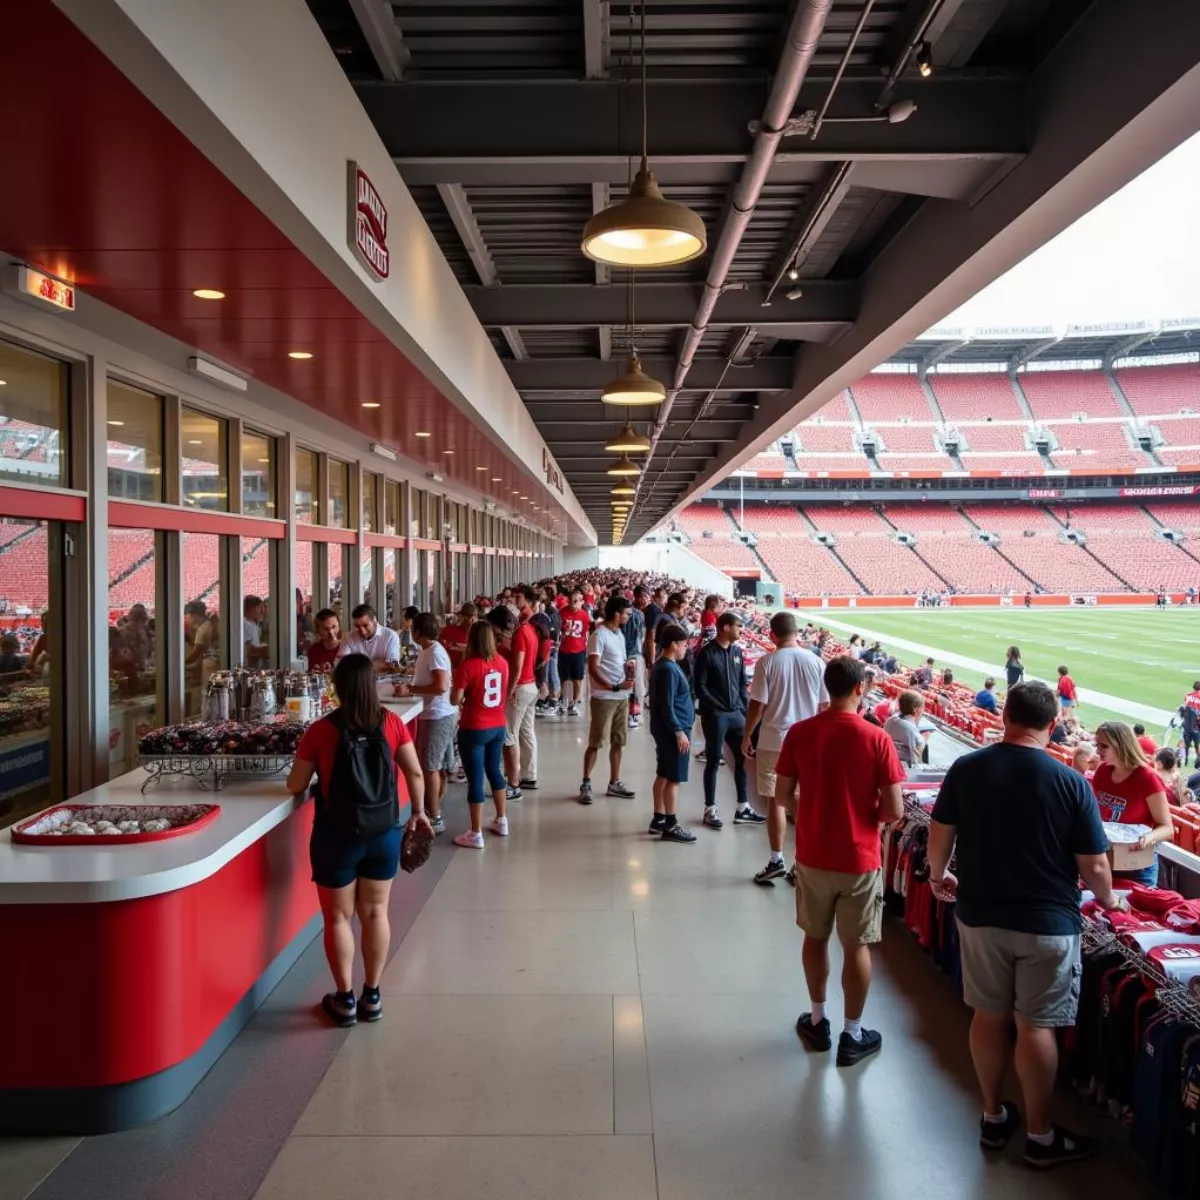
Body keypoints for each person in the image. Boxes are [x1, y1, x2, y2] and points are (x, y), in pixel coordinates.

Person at [927, 681, 1124, 1169]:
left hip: (980, 914)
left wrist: (936, 875)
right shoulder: (1070, 781)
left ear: (1004, 716)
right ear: (1051, 725)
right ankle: (1040, 1134)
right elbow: (1095, 866)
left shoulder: (968, 767)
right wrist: (1111, 900)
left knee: (988, 1016)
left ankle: (993, 1117)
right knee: (1037, 1026)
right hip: (1048, 924)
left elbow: (939, 831)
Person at [286, 653, 429, 1027]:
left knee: (337, 918)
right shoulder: (392, 723)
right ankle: (373, 995)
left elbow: (295, 785)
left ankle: (345, 1000)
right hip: (383, 833)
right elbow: (414, 772)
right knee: (376, 913)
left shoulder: (320, 730)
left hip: (336, 836)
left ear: (338, 688)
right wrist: (418, 812)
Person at [777, 656, 905, 1067]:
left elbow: (781, 796)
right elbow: (894, 809)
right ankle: (852, 1033)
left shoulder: (800, 733)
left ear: (825, 689)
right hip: (860, 858)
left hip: (813, 855)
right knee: (857, 945)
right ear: (860, 689)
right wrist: (864, 818)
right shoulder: (876, 738)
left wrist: (815, 809)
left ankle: (817, 1019)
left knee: (814, 938)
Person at [745, 611, 828, 885]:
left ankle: (776, 859)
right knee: (802, 802)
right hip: (808, 742)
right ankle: (801, 862)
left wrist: (747, 736)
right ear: (798, 633)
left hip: (773, 740)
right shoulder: (817, 662)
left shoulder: (767, 662)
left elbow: (757, 705)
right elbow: (824, 706)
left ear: (772, 635)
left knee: (776, 801)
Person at [693, 612, 762, 830]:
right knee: (713, 761)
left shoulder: (737, 652)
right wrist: (716, 706)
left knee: (742, 760)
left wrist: (743, 708)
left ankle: (743, 807)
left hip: (736, 715)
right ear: (725, 627)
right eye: (738, 626)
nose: (741, 630)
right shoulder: (706, 653)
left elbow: (742, 685)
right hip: (716, 715)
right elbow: (700, 687)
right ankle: (709, 809)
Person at [450, 619, 510, 848]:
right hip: (498, 724)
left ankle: (475, 833)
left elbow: (455, 699)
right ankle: (501, 819)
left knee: (475, 778)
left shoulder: (467, 666)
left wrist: (461, 696)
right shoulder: (502, 663)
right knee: (494, 770)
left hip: (474, 726)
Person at [1090, 720, 1173, 886]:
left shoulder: (1148, 778)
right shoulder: (1102, 770)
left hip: (1137, 866)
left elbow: (1168, 829)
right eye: (1096, 745)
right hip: (1106, 858)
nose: (1097, 750)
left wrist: (1148, 838)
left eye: (1104, 746)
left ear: (1120, 745)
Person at [395, 613, 455, 836]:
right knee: (435, 765)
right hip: (436, 714)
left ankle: (435, 816)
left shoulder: (435, 653)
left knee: (429, 767)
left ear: (417, 632)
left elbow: (441, 686)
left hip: (438, 715)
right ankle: (433, 808)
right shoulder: (429, 651)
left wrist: (410, 690)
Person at [579, 595, 636, 804]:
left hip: (621, 696)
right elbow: (593, 669)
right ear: (616, 614)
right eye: (627, 614)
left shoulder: (619, 634)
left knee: (618, 741)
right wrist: (612, 686)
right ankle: (586, 782)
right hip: (604, 697)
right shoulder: (598, 636)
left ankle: (614, 782)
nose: (629, 617)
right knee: (596, 742)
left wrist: (627, 675)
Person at [648, 624, 698, 843]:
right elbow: (667, 706)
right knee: (674, 779)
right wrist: (679, 731)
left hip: (666, 728)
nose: (686, 649)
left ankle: (658, 819)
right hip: (673, 730)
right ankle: (671, 824)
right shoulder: (668, 669)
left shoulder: (664, 665)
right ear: (673, 645)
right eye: (684, 645)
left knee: (664, 774)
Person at [497, 587, 540, 795]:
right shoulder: (529, 629)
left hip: (521, 687)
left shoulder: (522, 631)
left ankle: (512, 784)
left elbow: (518, 665)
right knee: (526, 733)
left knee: (509, 736)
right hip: (531, 686)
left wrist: (510, 690)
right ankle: (529, 775)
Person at [338, 604, 401, 671]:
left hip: (385, 681)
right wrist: (377, 664)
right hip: (357, 680)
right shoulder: (349, 637)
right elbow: (341, 663)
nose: (362, 631)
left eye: (365, 625)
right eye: (357, 626)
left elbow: (393, 665)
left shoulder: (390, 636)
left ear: (374, 621)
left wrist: (355, 664)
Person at [557, 589, 590, 716]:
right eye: (571, 600)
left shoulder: (584, 615)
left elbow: (584, 632)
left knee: (577, 678)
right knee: (563, 677)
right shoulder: (562, 613)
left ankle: (574, 702)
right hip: (564, 649)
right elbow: (559, 629)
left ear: (581, 602)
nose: (573, 603)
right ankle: (563, 700)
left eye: (576, 601)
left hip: (578, 650)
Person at [883, 690, 926, 770]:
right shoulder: (909, 729)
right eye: (922, 708)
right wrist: (926, 738)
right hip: (901, 767)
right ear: (915, 710)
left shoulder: (890, 720)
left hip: (887, 760)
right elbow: (918, 751)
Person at [623, 594, 646, 729]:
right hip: (635, 655)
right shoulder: (639, 615)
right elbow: (641, 636)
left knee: (629, 686)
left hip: (626, 655)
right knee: (635, 687)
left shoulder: (630, 617)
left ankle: (631, 714)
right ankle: (635, 714)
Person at [438, 602, 474, 669]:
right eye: (469, 616)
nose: (472, 620)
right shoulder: (448, 631)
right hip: (449, 670)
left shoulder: (478, 634)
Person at [306, 607, 342, 673]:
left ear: (339, 626)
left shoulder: (346, 648)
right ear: (318, 630)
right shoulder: (313, 650)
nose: (331, 632)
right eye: (326, 629)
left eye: (334, 627)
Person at [242, 595, 269, 664]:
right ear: (251, 610)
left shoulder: (254, 624)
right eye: (259, 608)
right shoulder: (244, 624)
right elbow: (250, 650)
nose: (262, 611)